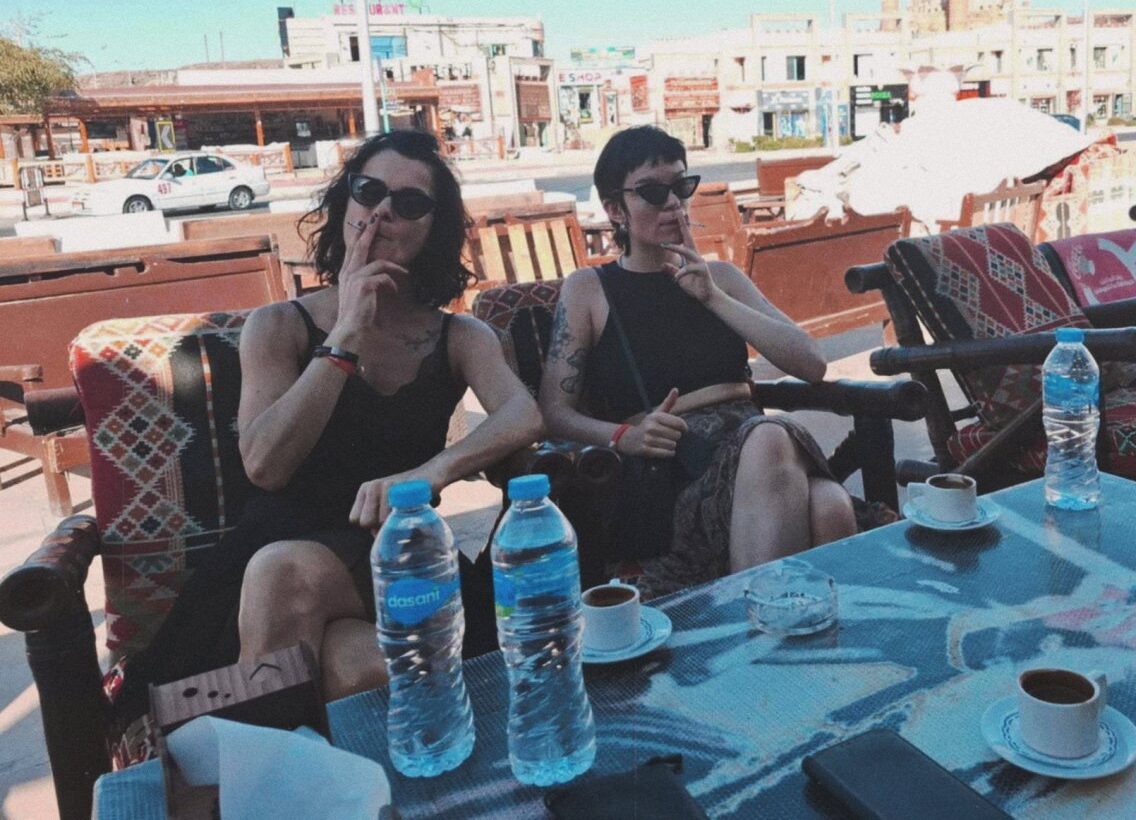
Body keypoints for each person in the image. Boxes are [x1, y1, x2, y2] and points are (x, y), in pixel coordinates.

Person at [120, 130, 542, 709]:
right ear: (345, 202)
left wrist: (433, 472)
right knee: (298, 590)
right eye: (369, 191)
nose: (384, 211)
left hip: (400, 555)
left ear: (433, 229)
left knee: (355, 665)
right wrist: (344, 335)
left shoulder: (458, 336)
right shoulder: (280, 326)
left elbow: (523, 415)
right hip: (282, 551)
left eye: (411, 203)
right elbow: (265, 465)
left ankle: (279, 777)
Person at [539, 125, 856, 600]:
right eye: (652, 191)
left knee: (831, 505)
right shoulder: (590, 289)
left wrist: (713, 298)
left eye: (681, 187)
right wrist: (624, 436)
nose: (672, 203)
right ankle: (761, 634)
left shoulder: (722, 278)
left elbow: (811, 364)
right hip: (672, 477)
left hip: (755, 451)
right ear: (613, 210)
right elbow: (552, 412)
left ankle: (805, 649)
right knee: (789, 458)